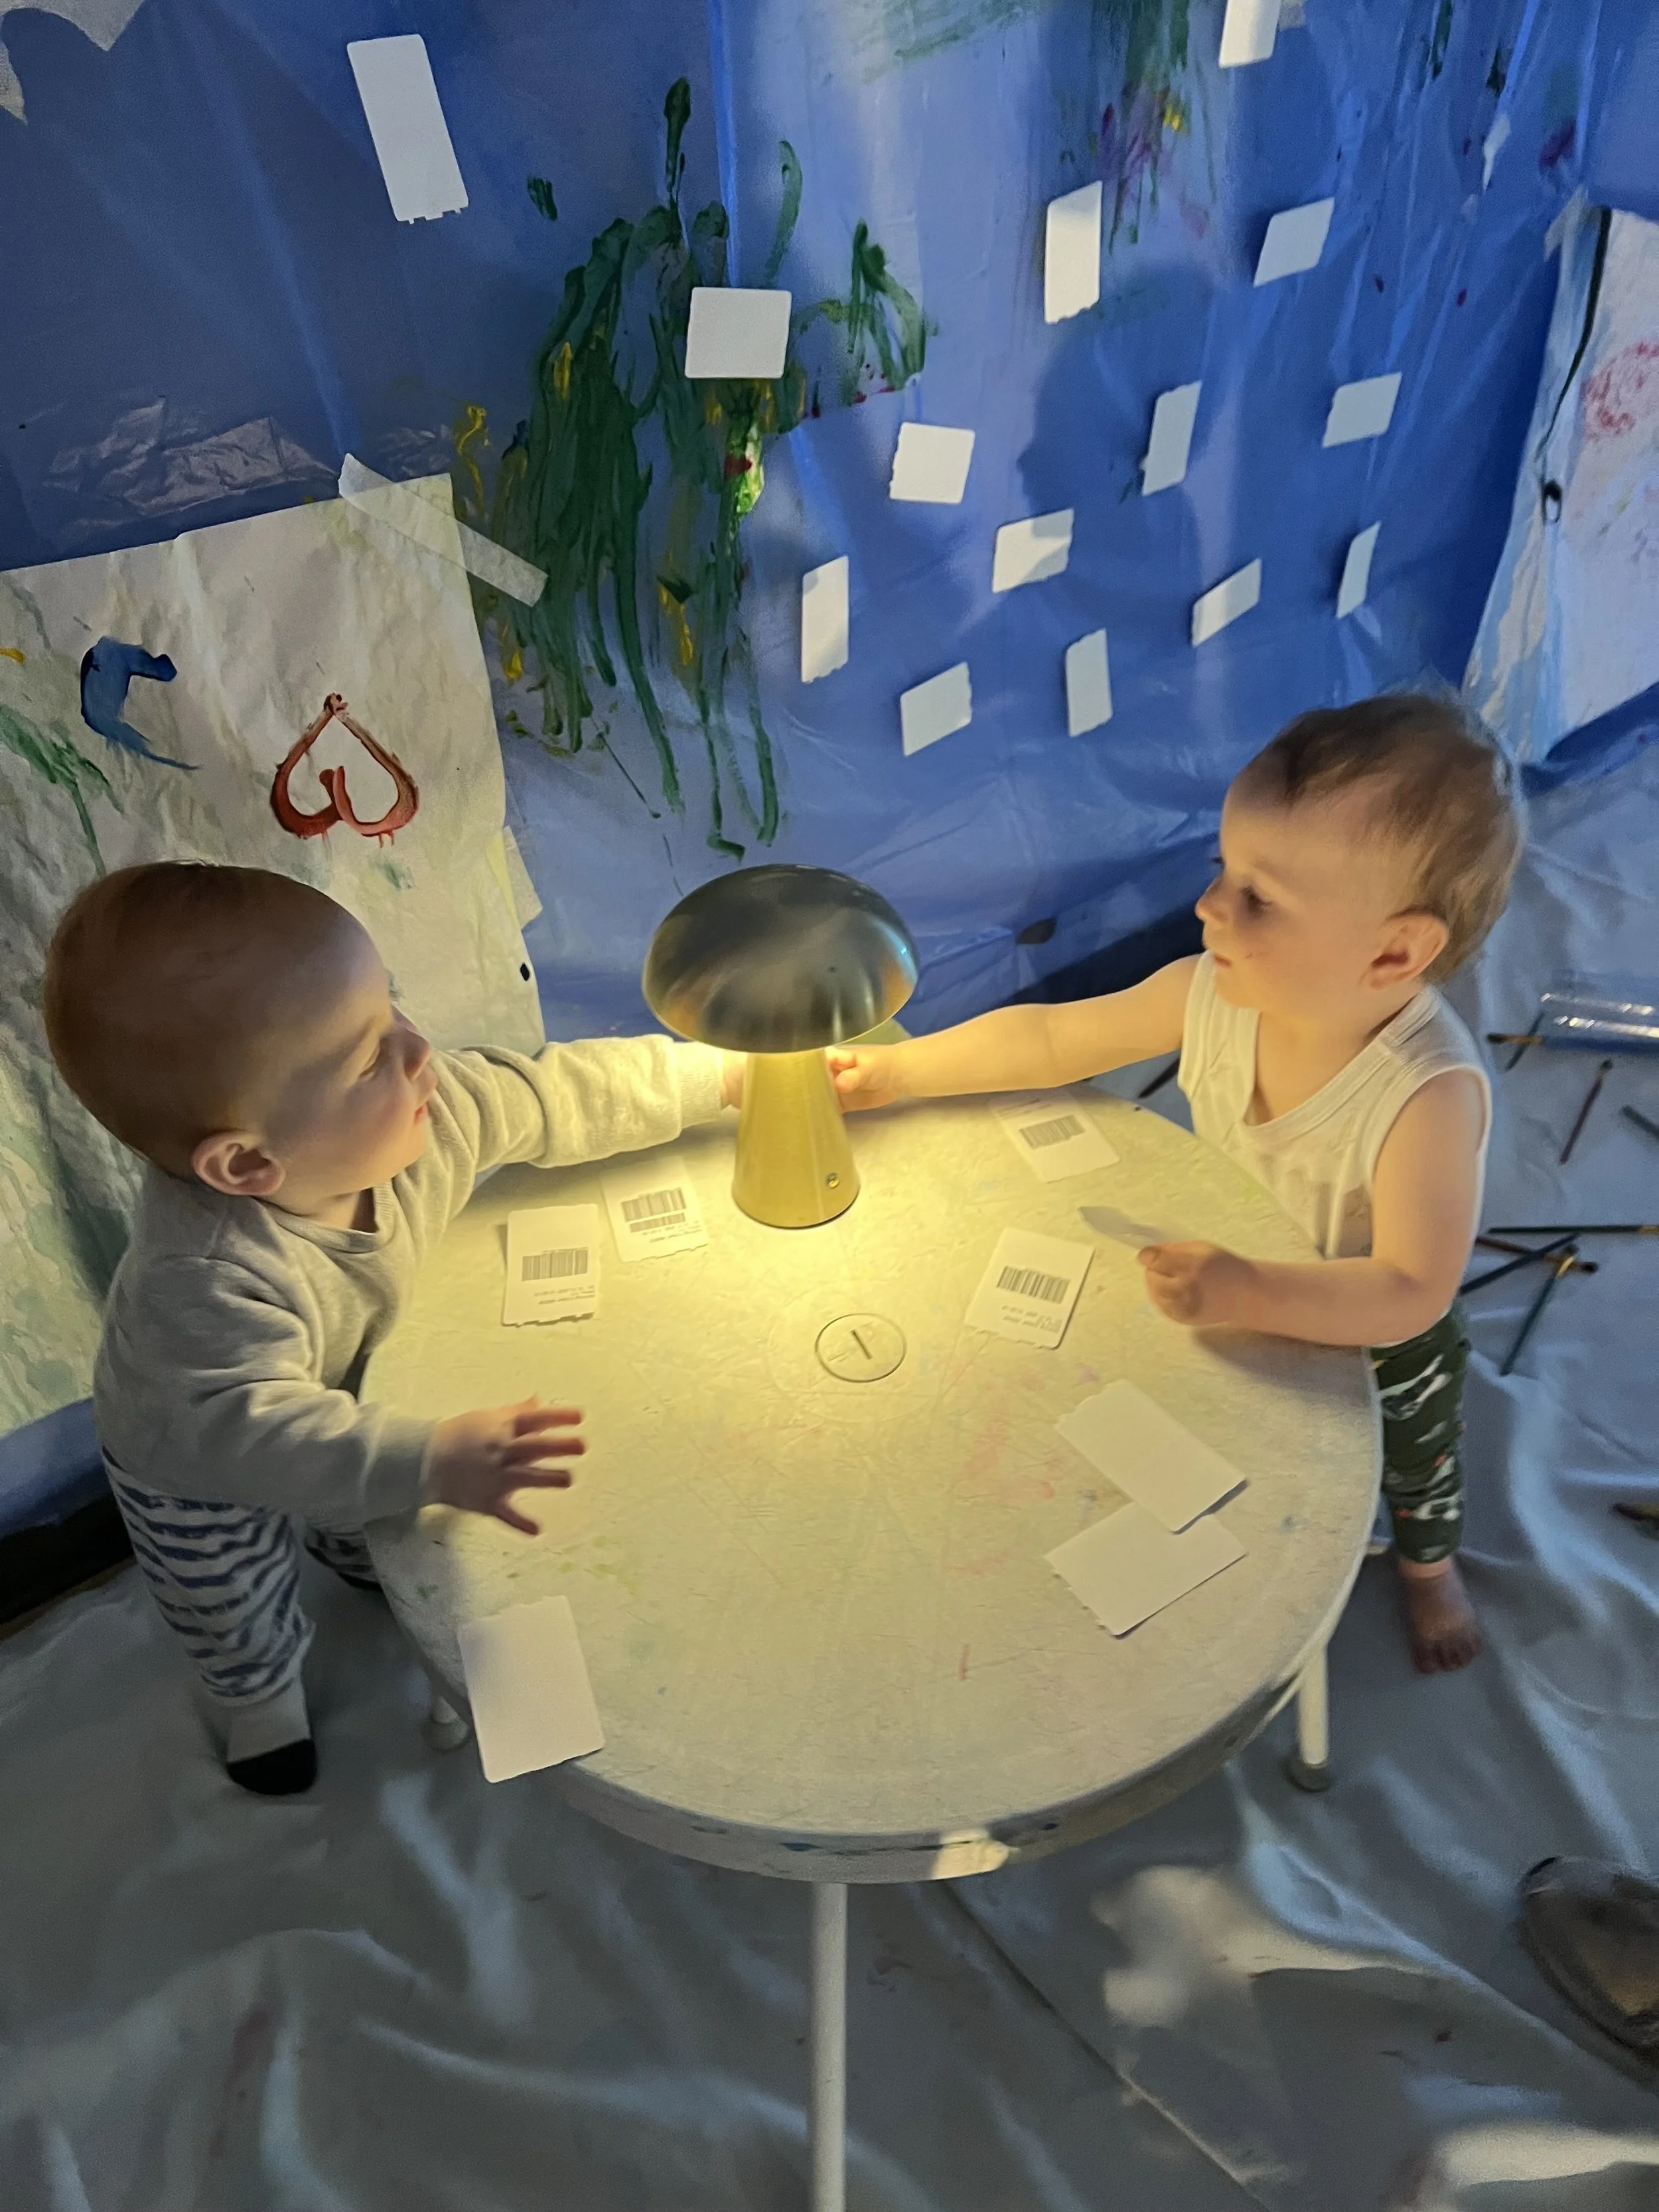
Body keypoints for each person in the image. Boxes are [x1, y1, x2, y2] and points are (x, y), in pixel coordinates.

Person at [831, 694, 1522, 1675]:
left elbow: (1412, 1288)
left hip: (1368, 1329)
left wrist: (1251, 1289)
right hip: (1230, 1267)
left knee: (1415, 1457)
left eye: (1260, 898)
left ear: (1394, 952)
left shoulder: (1425, 1094)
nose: (1210, 909)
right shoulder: (1214, 988)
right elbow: (1056, 1038)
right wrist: (901, 1073)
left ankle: (1426, 1566)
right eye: (1222, 873)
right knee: (1213, 1435)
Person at [43, 863, 736, 1795]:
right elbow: (268, 1440)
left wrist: (728, 1080)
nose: (421, 1053)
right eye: (368, 1058)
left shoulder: (428, 1113)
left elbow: (558, 1094)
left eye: (394, 1010)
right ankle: (256, 1699)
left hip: (327, 1389)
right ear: (248, 1162)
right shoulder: (204, 1286)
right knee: (228, 1598)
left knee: (355, 1503)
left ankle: (347, 1546)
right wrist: (434, 1459)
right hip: (191, 1450)